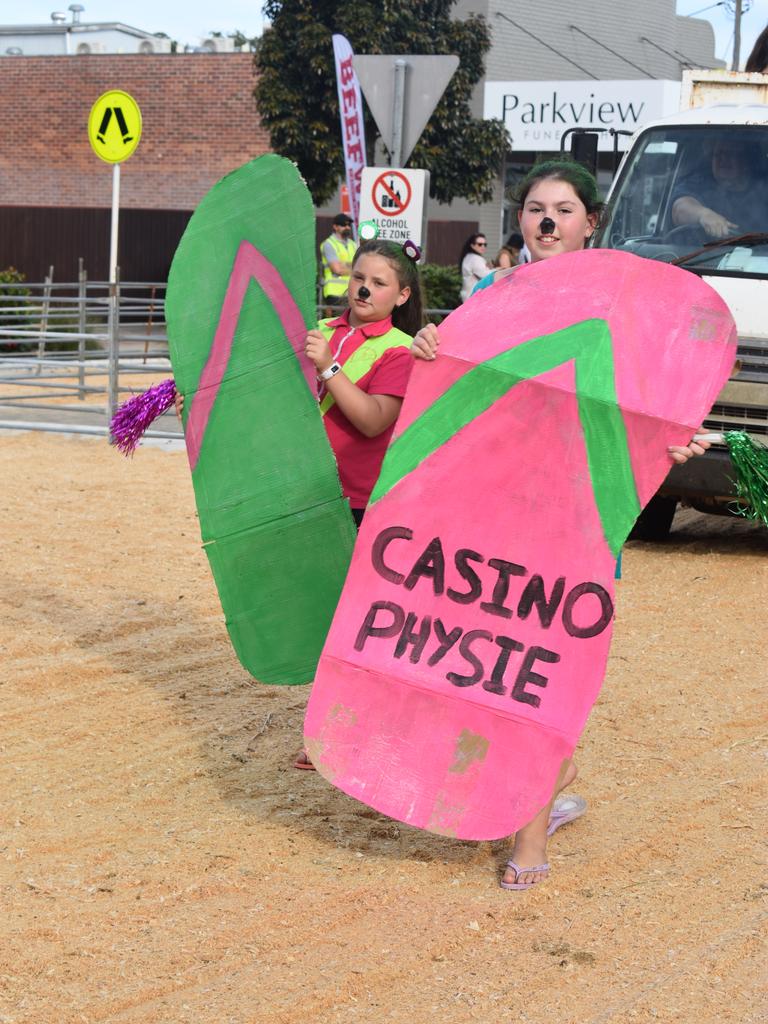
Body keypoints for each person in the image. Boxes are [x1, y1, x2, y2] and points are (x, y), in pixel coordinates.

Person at [411, 159, 710, 891]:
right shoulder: (489, 294)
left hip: (579, 513)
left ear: (589, 223)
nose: (547, 220)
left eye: (564, 208)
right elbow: (457, 393)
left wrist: (674, 439)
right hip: (494, 510)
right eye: (535, 208)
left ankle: (530, 837)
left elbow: (651, 399)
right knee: (490, 664)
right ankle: (538, 789)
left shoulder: (623, 306)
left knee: (543, 674)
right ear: (520, 221)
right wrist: (424, 349)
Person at [294, 238, 423, 770]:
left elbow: (372, 419)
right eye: (358, 277)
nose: (364, 287)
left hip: (359, 504)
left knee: (358, 622)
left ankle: (357, 735)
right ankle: (326, 733)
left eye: (379, 282)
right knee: (321, 615)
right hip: (306, 493)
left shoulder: (400, 349)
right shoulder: (321, 332)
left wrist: (327, 369)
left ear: (401, 295)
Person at [670, 137, 766, 240]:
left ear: (746, 160)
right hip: (699, 254)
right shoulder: (700, 183)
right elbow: (679, 209)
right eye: (718, 154)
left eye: (730, 154)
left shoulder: (763, 189)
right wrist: (704, 214)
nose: (723, 159)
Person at [320, 213, 356, 307]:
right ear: (335, 227)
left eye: (349, 225)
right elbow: (337, 269)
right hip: (335, 292)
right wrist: (354, 269)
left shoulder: (353, 245)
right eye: (343, 225)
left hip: (351, 292)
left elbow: (360, 266)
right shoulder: (329, 244)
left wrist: (344, 265)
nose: (347, 227)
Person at [458, 233, 490, 302]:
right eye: (480, 244)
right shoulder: (475, 259)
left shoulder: (469, 257)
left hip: (469, 296)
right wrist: (499, 269)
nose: (483, 246)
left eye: (485, 244)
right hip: (474, 297)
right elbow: (486, 275)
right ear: (472, 245)